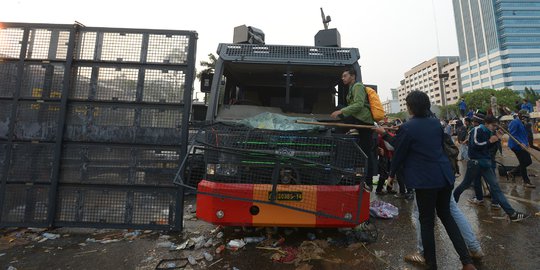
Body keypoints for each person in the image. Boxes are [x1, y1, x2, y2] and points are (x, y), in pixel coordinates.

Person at [385, 90, 475, 270]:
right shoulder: (435, 123)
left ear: (411, 107)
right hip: (444, 176)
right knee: (446, 216)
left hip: (426, 181)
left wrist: (391, 173)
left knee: (426, 222)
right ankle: (467, 262)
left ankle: (431, 264)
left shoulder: (408, 127)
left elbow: (399, 151)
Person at [453, 115, 530, 222]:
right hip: (475, 163)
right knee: (465, 185)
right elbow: (475, 145)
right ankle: (451, 204)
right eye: (493, 125)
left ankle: (512, 213)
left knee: (495, 188)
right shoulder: (477, 130)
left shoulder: (490, 132)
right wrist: (491, 141)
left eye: (496, 126)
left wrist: (496, 139)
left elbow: (488, 147)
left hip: (485, 163)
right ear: (486, 123)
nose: (495, 128)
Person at [331, 68, 374, 190]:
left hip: (364, 121)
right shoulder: (351, 88)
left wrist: (341, 111)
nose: (343, 78)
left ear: (353, 76)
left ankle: (368, 181)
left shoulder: (358, 86)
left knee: (366, 154)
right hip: (357, 119)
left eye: (345, 76)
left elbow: (359, 105)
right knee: (361, 154)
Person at [507, 110, 536, 188]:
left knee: (528, 162)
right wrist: (520, 143)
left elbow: (524, 135)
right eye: (524, 117)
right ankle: (526, 181)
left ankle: (512, 172)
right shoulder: (514, 122)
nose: (526, 119)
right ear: (520, 115)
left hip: (523, 145)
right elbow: (512, 135)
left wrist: (527, 144)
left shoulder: (522, 123)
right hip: (516, 146)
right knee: (523, 162)